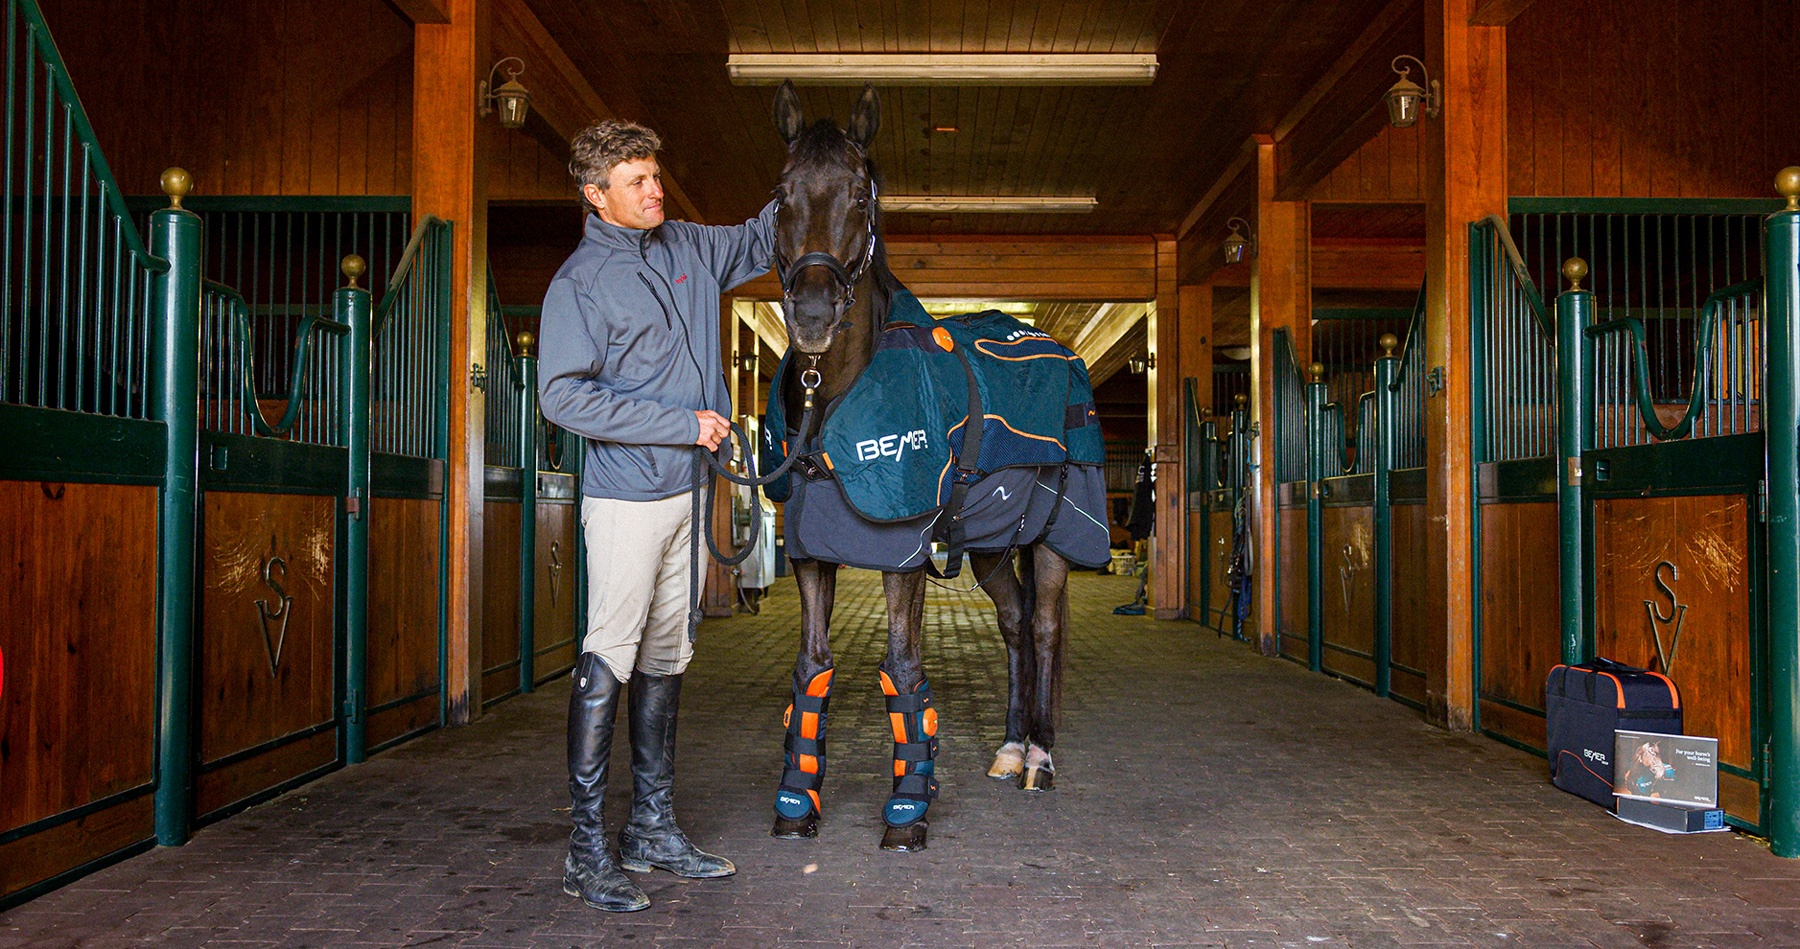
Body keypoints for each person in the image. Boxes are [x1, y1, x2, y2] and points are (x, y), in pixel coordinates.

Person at [538, 119, 777, 914]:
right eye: (636, 181)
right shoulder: (578, 283)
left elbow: (765, 235)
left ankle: (651, 827)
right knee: (609, 654)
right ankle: (585, 849)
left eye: (654, 175)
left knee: (668, 656)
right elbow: (563, 394)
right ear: (595, 194)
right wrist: (682, 424)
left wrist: (814, 162)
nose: (654, 190)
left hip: (688, 494)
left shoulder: (692, 248)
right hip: (627, 496)